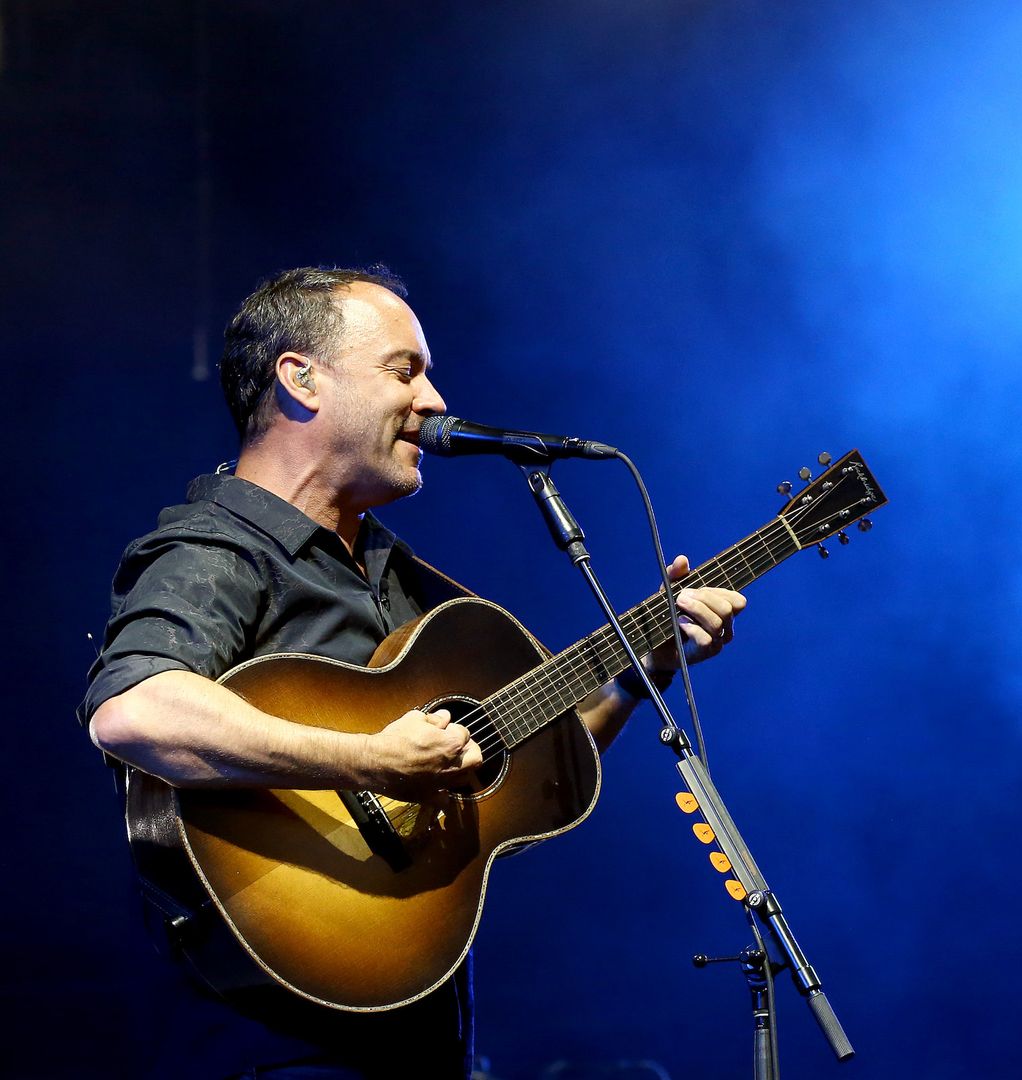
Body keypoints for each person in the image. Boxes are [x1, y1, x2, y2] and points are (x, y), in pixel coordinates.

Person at [80, 266, 746, 1078]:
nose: (433, 399)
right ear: (301, 379)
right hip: (270, 1037)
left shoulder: (403, 579)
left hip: (417, 1022)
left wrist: (641, 674)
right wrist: (366, 758)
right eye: (406, 370)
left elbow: (528, 776)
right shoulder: (214, 549)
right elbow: (135, 710)